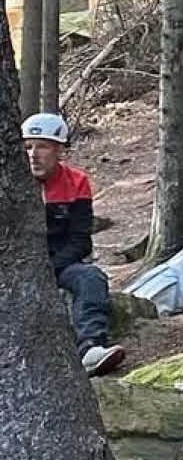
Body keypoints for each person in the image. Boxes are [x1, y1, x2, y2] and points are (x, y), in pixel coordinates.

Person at [26, 113, 124, 376]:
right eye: (28, 147)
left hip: (61, 264)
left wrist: (48, 268)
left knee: (91, 277)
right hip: (18, 267)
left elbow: (80, 242)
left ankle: (90, 349)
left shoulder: (76, 182)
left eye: (42, 146)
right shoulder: (11, 186)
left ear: (59, 150)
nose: (33, 155)